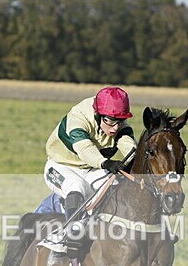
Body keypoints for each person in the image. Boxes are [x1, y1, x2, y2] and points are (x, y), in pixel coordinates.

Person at [39, 86, 136, 256]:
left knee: (115, 187)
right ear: (98, 115)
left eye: (120, 121)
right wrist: (105, 163)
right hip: (61, 166)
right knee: (76, 187)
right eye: (110, 121)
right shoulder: (78, 118)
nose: (115, 128)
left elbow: (130, 147)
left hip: (91, 168)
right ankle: (68, 235)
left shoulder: (116, 123)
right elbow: (84, 149)